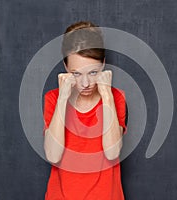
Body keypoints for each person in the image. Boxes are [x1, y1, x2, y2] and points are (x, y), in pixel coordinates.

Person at [43, 21, 127, 200]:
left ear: (103, 64)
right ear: (65, 68)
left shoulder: (115, 98)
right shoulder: (53, 98)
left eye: (93, 73)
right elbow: (53, 155)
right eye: (76, 73)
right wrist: (63, 98)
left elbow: (112, 152)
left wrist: (106, 94)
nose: (85, 83)